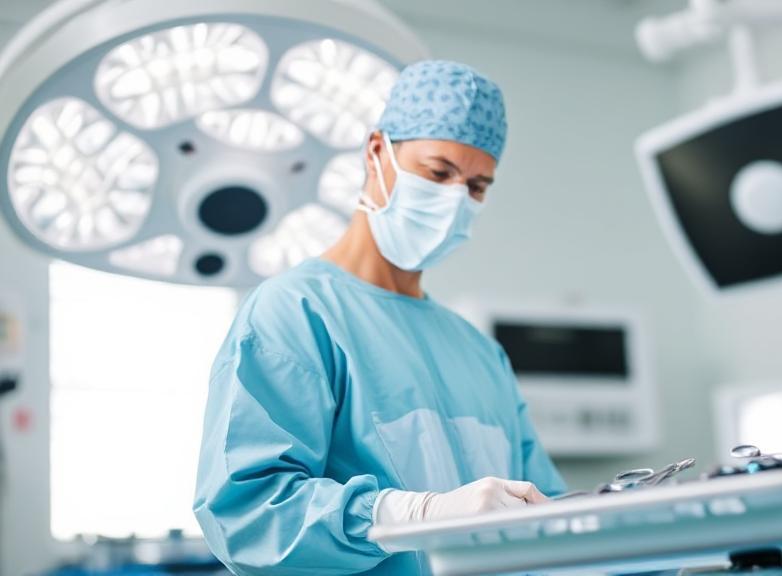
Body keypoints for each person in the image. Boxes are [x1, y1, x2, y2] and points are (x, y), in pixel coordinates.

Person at [193, 60, 566, 576]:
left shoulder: (480, 354)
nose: (456, 198)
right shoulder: (295, 315)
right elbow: (251, 514)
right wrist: (410, 514)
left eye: (478, 186)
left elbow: (551, 514)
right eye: (439, 173)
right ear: (376, 154)